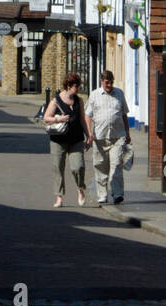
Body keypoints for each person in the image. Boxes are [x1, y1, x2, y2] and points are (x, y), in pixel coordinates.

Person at [84, 70, 131, 205]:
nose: (109, 85)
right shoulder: (94, 95)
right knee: (100, 166)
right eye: (107, 82)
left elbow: (124, 115)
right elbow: (87, 115)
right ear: (102, 81)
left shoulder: (119, 94)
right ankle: (102, 194)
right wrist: (89, 133)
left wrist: (127, 133)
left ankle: (117, 194)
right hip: (100, 137)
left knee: (116, 165)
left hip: (117, 137)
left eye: (111, 82)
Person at [43, 73, 88, 207]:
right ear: (68, 86)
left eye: (78, 86)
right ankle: (59, 197)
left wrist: (89, 134)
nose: (78, 89)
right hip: (58, 140)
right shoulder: (56, 101)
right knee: (58, 167)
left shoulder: (79, 101)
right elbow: (46, 117)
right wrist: (58, 119)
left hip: (76, 139)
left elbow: (82, 120)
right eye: (76, 86)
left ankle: (80, 189)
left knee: (78, 166)